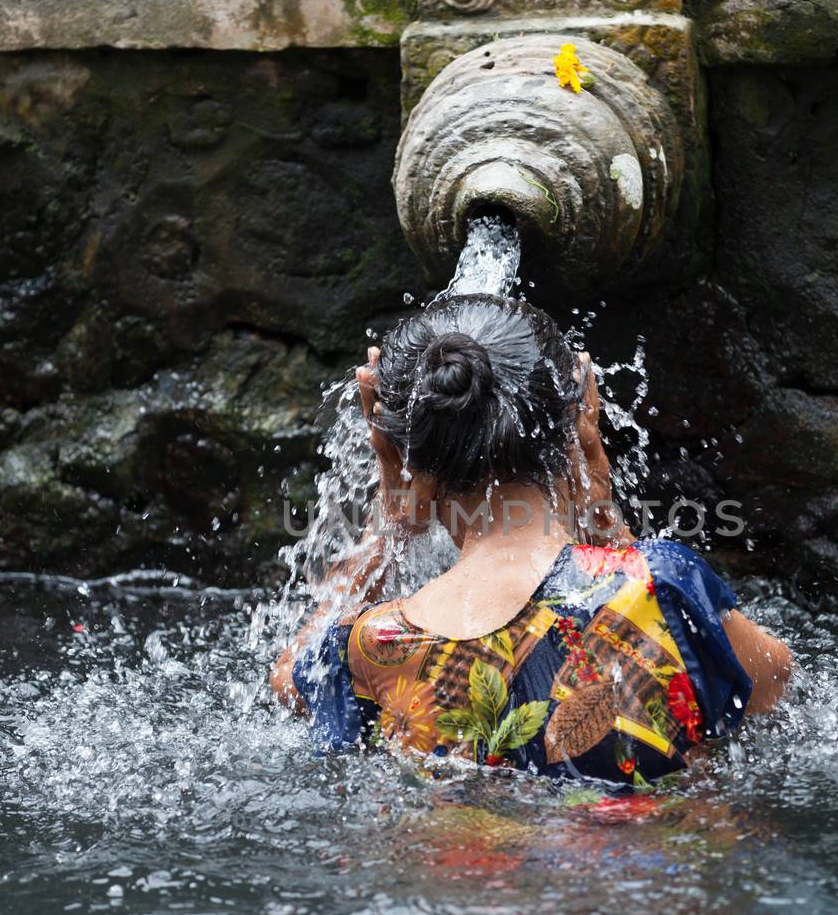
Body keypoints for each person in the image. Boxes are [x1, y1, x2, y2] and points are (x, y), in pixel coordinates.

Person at [270, 294, 791, 786]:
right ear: (576, 426)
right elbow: (777, 685)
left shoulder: (370, 648)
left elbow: (290, 684)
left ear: (402, 457)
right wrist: (602, 512)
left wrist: (391, 521)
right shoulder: (662, 586)